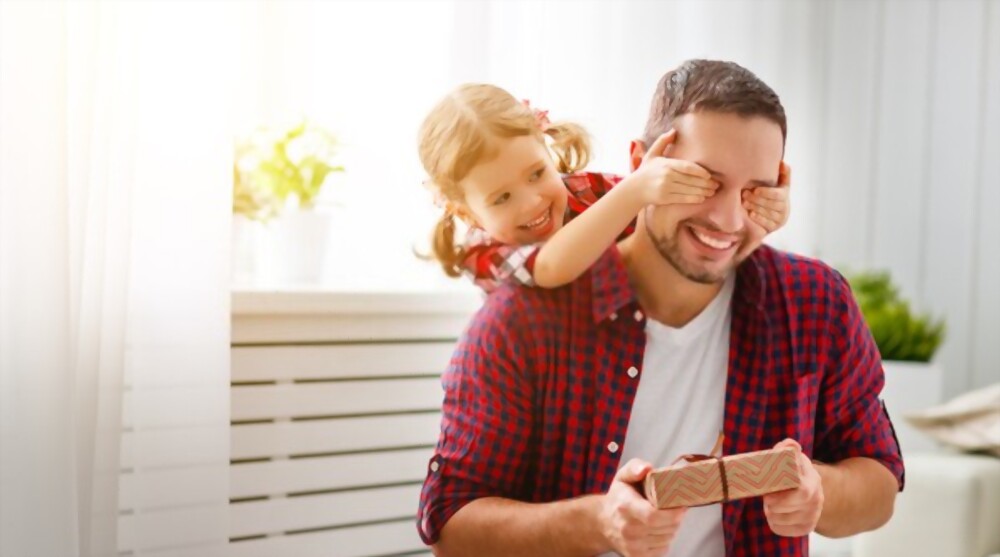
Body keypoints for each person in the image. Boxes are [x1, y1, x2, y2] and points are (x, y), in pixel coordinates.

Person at [417, 60, 904, 557]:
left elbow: (880, 483)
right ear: (641, 164)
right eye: (703, 181)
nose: (728, 217)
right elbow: (452, 530)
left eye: (753, 190)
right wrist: (597, 522)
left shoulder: (814, 302)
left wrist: (819, 492)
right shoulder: (520, 321)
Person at [418, 83, 789, 293]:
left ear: (547, 147)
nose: (532, 201)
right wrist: (633, 192)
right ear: (467, 213)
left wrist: (757, 207)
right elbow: (549, 268)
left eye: (535, 173)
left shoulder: (587, 191)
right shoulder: (480, 251)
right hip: (550, 372)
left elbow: (666, 218)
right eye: (501, 198)